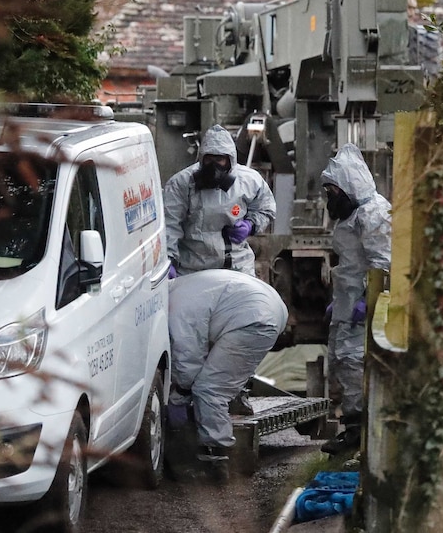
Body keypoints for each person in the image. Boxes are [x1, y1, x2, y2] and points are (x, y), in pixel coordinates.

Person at [167, 269, 289, 481]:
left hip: (253, 320)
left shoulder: (174, 308)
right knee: (217, 379)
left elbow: (188, 356)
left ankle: (217, 455)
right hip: (268, 307)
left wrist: (179, 396)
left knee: (209, 389)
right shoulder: (180, 287)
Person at [319, 143, 392, 455]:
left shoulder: (373, 214)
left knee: (353, 363)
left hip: (363, 305)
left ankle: (357, 433)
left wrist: (367, 299)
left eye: (333, 191)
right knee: (340, 360)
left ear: (348, 186)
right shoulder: (351, 216)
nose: (329, 198)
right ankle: (352, 428)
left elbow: (383, 262)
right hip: (349, 301)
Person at [164, 124, 276, 278]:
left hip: (237, 268)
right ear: (201, 158)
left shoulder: (249, 181)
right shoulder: (181, 184)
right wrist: (168, 260)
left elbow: (266, 208)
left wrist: (250, 224)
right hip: (192, 271)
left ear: (230, 160)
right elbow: (169, 225)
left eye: (219, 159)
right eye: (209, 158)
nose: (214, 165)